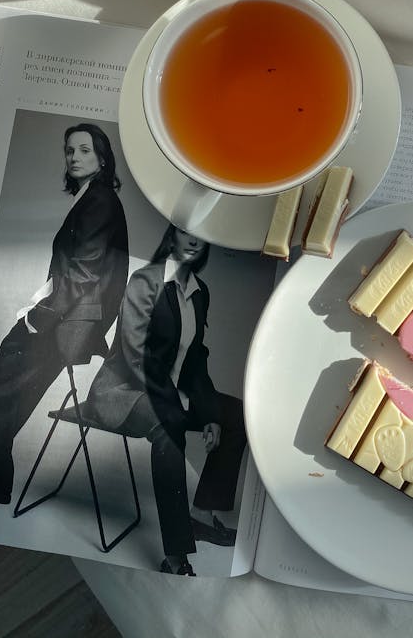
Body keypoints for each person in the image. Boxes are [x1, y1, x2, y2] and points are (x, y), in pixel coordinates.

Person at [0, 122, 129, 504]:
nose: (74, 157)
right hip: (71, 314)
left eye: (84, 150)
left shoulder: (101, 201)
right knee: (12, 389)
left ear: (102, 157)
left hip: (72, 320)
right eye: (69, 151)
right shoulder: (93, 197)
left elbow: (84, 271)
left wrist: (38, 316)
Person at [86, 224, 247, 575]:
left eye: (203, 233)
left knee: (235, 416)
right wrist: (175, 404)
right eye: (186, 230)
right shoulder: (146, 281)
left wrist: (209, 414)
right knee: (167, 422)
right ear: (171, 235)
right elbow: (135, 355)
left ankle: (202, 515)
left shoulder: (200, 291)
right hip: (123, 394)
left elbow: (196, 360)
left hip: (171, 395)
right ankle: (175, 554)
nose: (193, 239)